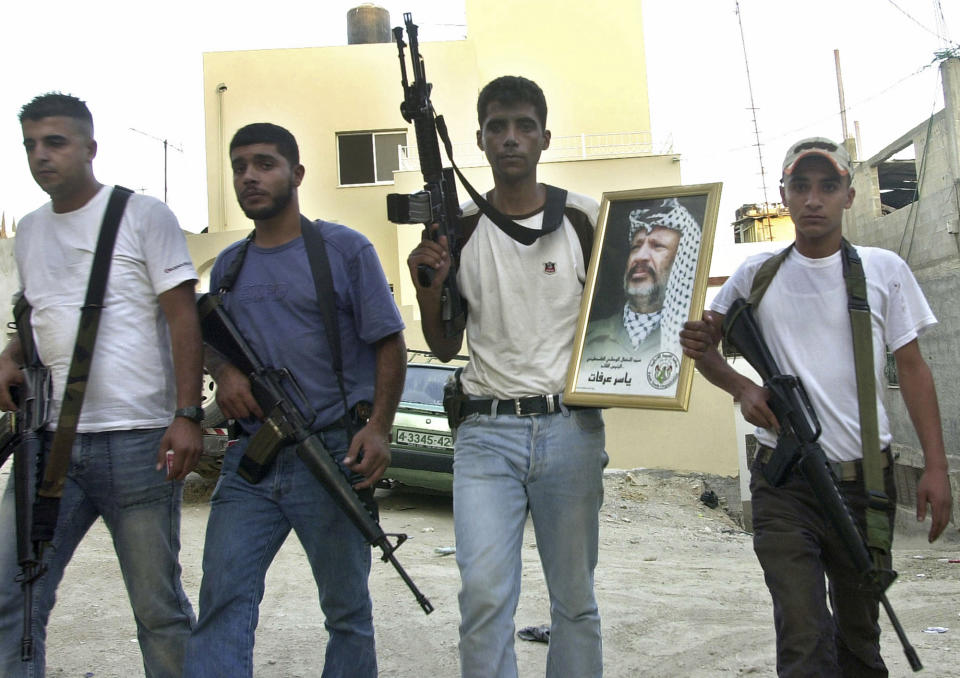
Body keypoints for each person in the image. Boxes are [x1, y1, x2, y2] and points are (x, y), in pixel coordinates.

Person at [679, 137, 953, 677]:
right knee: (804, 637)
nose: (813, 199)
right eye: (800, 186)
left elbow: (915, 369)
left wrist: (937, 466)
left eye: (827, 186)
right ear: (783, 194)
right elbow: (703, 346)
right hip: (784, 484)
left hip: (865, 484)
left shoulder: (883, 269)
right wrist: (741, 387)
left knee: (859, 643)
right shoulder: (756, 275)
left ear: (849, 196)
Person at [184, 123, 405, 678]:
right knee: (224, 602)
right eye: (240, 167)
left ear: (297, 174)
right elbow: (204, 337)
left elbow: (390, 344)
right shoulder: (231, 265)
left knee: (347, 613)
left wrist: (378, 428)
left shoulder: (343, 249)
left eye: (264, 164)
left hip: (330, 452)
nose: (250, 177)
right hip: (251, 460)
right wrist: (224, 370)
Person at [408, 75, 606, 678]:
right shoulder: (459, 228)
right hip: (485, 432)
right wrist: (428, 285)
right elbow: (444, 346)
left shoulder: (584, 220)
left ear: (545, 137)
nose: (511, 138)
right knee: (485, 598)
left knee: (574, 601)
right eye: (498, 127)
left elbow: (624, 326)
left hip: (569, 428)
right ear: (480, 139)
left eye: (524, 126)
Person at [0, 92, 202, 677]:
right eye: (31, 146)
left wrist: (187, 414)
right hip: (48, 442)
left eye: (55, 143)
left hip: (137, 441)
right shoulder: (32, 231)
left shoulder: (143, 215)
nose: (42, 156)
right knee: (13, 598)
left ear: (90, 148)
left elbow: (183, 316)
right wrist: (10, 355)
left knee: (157, 610)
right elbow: (42, 316)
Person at [584, 198, 701, 363]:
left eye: (657, 246)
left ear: (681, 261)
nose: (640, 257)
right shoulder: (588, 335)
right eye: (636, 247)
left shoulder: (689, 342)